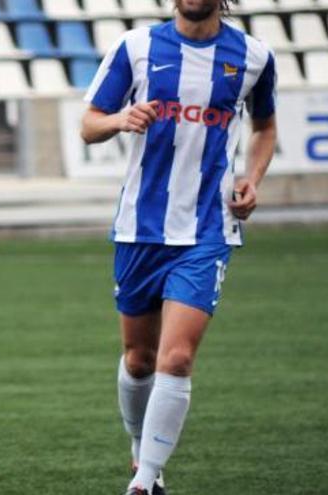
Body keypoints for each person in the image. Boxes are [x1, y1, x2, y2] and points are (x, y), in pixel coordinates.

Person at [80, 1, 277, 493]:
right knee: (139, 359)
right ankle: (139, 449)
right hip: (139, 229)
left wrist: (251, 178)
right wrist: (121, 119)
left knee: (177, 359)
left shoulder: (253, 56)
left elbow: (265, 125)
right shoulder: (137, 47)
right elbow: (89, 123)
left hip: (208, 230)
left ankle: (144, 482)